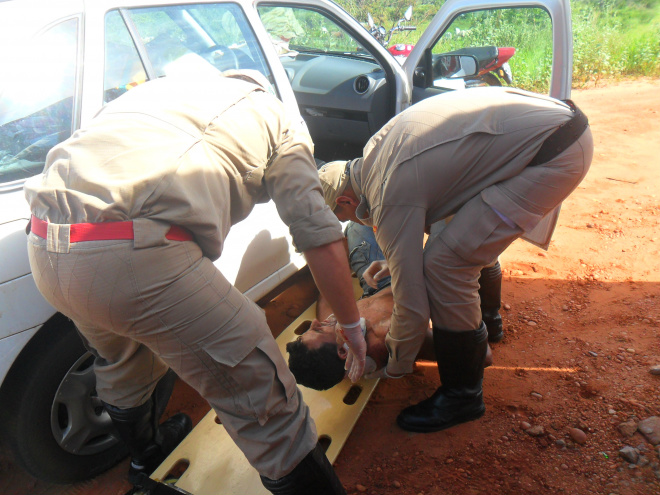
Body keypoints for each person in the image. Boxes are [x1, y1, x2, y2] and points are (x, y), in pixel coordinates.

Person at [23, 70, 367, 495]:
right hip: (131, 253)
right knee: (267, 400)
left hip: (44, 243)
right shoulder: (279, 121)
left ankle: (146, 458)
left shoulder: (163, 90)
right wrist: (351, 326)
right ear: (259, 89)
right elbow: (318, 233)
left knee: (121, 361)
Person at [317, 86, 593, 433]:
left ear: (344, 200)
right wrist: (397, 263)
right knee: (459, 241)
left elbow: (412, 305)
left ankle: (463, 396)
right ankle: (489, 321)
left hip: (553, 153)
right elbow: (441, 198)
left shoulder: (386, 195)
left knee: (447, 264)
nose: (351, 222)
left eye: (344, 217)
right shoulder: (375, 151)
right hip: (553, 128)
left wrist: (396, 365)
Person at [287, 286, 493, 391]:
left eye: (314, 328)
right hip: (415, 283)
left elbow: (326, 288)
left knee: (355, 226)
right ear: (343, 352)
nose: (315, 322)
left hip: (380, 282)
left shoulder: (333, 325)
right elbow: (482, 357)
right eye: (319, 330)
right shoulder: (390, 340)